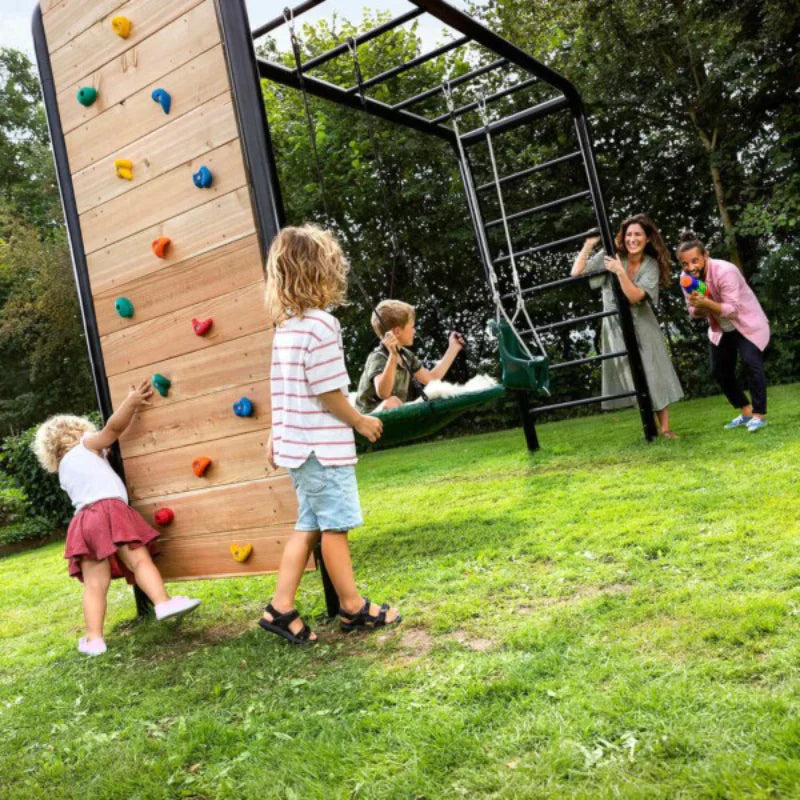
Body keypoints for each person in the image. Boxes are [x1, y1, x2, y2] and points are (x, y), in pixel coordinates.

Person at [262, 224, 401, 644]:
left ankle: (280, 608)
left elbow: (286, 390)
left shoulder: (285, 329)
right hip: (322, 450)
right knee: (334, 528)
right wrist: (359, 420)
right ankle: (354, 608)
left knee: (308, 526)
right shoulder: (323, 326)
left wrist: (275, 432)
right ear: (321, 272)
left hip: (298, 450)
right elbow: (326, 392)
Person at [31, 381, 201, 657]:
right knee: (138, 559)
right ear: (76, 432)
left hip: (83, 522)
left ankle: (94, 639)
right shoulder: (86, 445)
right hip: (110, 510)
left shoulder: (63, 468)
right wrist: (131, 402)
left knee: (95, 584)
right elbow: (113, 429)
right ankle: (163, 602)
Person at [571, 213, 684, 438]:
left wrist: (620, 272)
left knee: (654, 371)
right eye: (629, 234)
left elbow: (634, 297)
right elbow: (577, 272)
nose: (633, 239)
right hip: (615, 325)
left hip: (643, 323)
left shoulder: (650, 265)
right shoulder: (612, 255)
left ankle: (665, 427)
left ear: (648, 239)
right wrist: (589, 244)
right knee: (632, 375)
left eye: (638, 235)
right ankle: (650, 424)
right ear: (623, 237)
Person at [677, 230, 770, 432]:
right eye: (685, 264)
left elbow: (733, 310)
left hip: (746, 324)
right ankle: (746, 412)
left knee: (751, 364)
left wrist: (706, 302)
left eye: (695, 261)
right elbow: (693, 312)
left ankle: (759, 415)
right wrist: (697, 305)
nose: (690, 267)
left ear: (705, 256)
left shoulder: (725, 271)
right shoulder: (685, 278)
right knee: (719, 370)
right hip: (720, 328)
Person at [354, 299, 464, 413]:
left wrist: (453, 348)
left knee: (435, 394)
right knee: (392, 402)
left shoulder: (407, 356)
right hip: (368, 420)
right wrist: (393, 356)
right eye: (412, 327)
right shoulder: (378, 357)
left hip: (395, 413)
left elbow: (431, 379)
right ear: (397, 331)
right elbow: (383, 393)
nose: (414, 331)